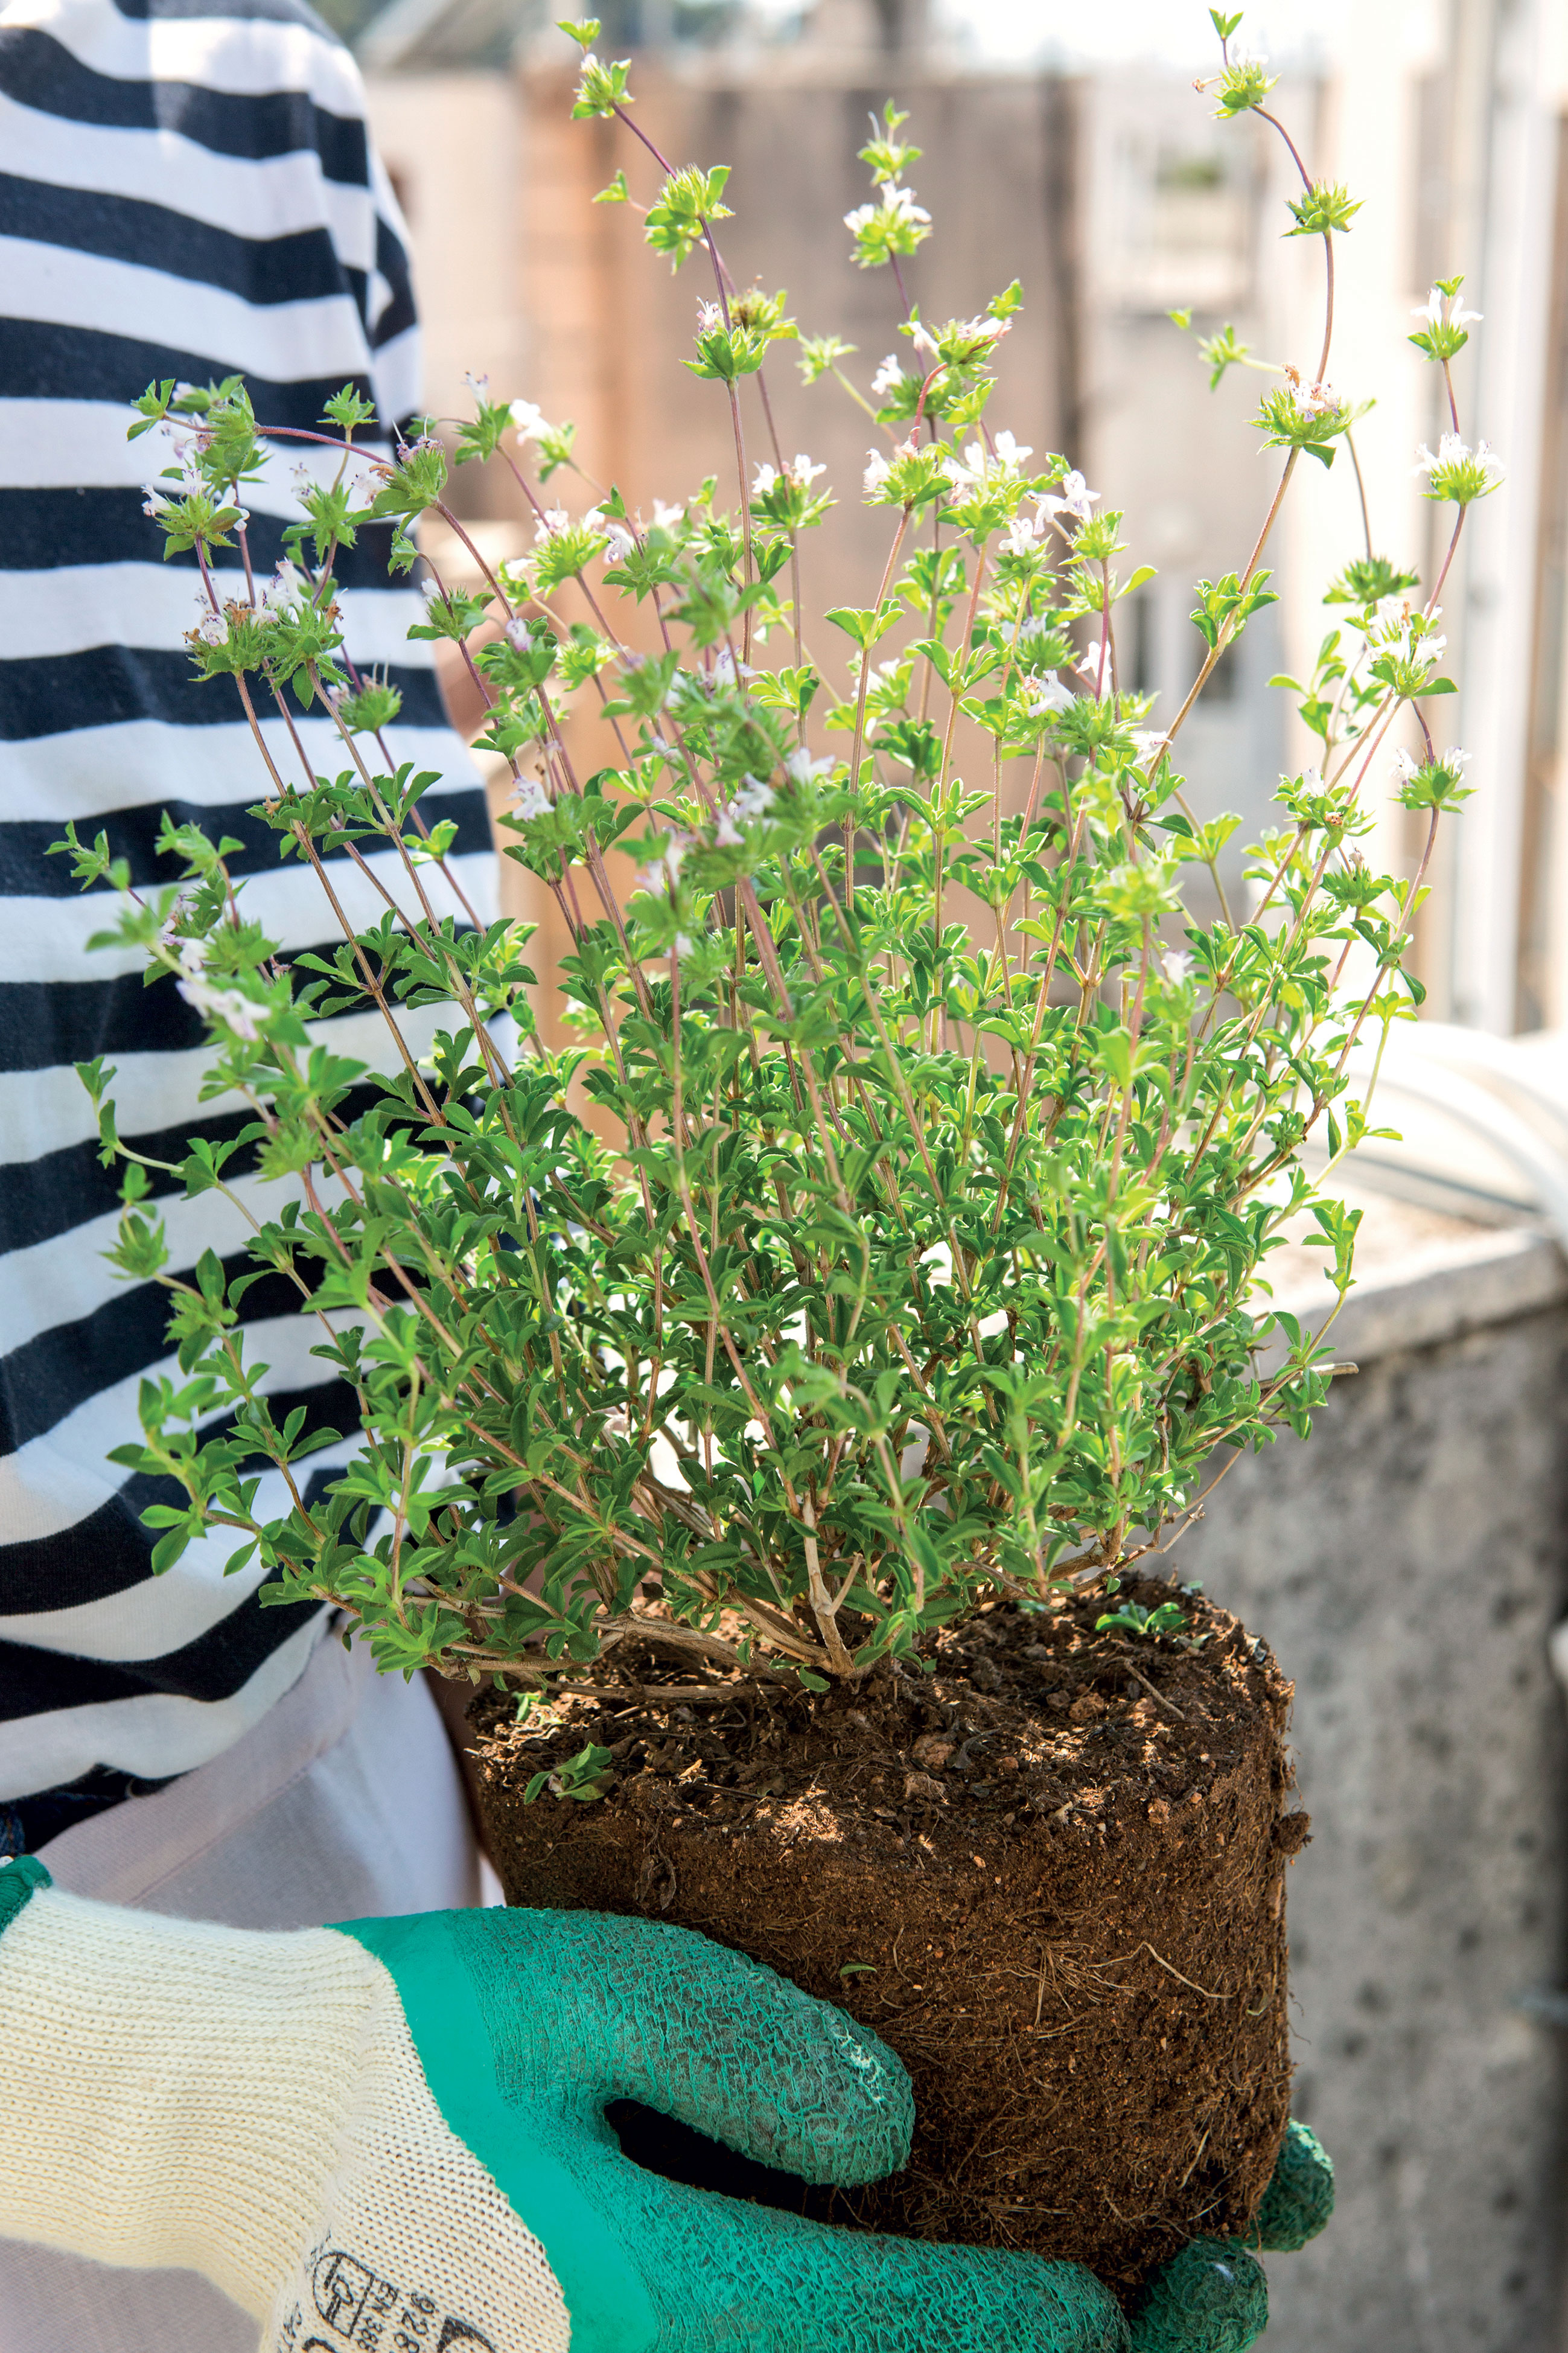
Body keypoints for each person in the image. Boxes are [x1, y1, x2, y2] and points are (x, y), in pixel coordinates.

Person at [0, 0, 1329, 2343]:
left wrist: (725, 1744)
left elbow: (374, 1150)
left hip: (416, 1901)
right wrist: (139, 2084)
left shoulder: (255, 121)